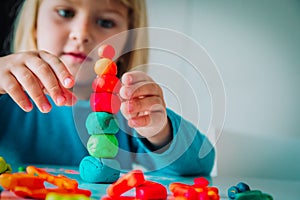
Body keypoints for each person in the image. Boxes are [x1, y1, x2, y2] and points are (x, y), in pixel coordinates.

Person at [0, 0, 215, 176]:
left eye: (105, 22)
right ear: (35, 25)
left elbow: (201, 162)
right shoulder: (6, 100)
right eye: (65, 12)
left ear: (128, 39)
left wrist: (159, 130)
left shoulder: (129, 110)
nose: (82, 33)